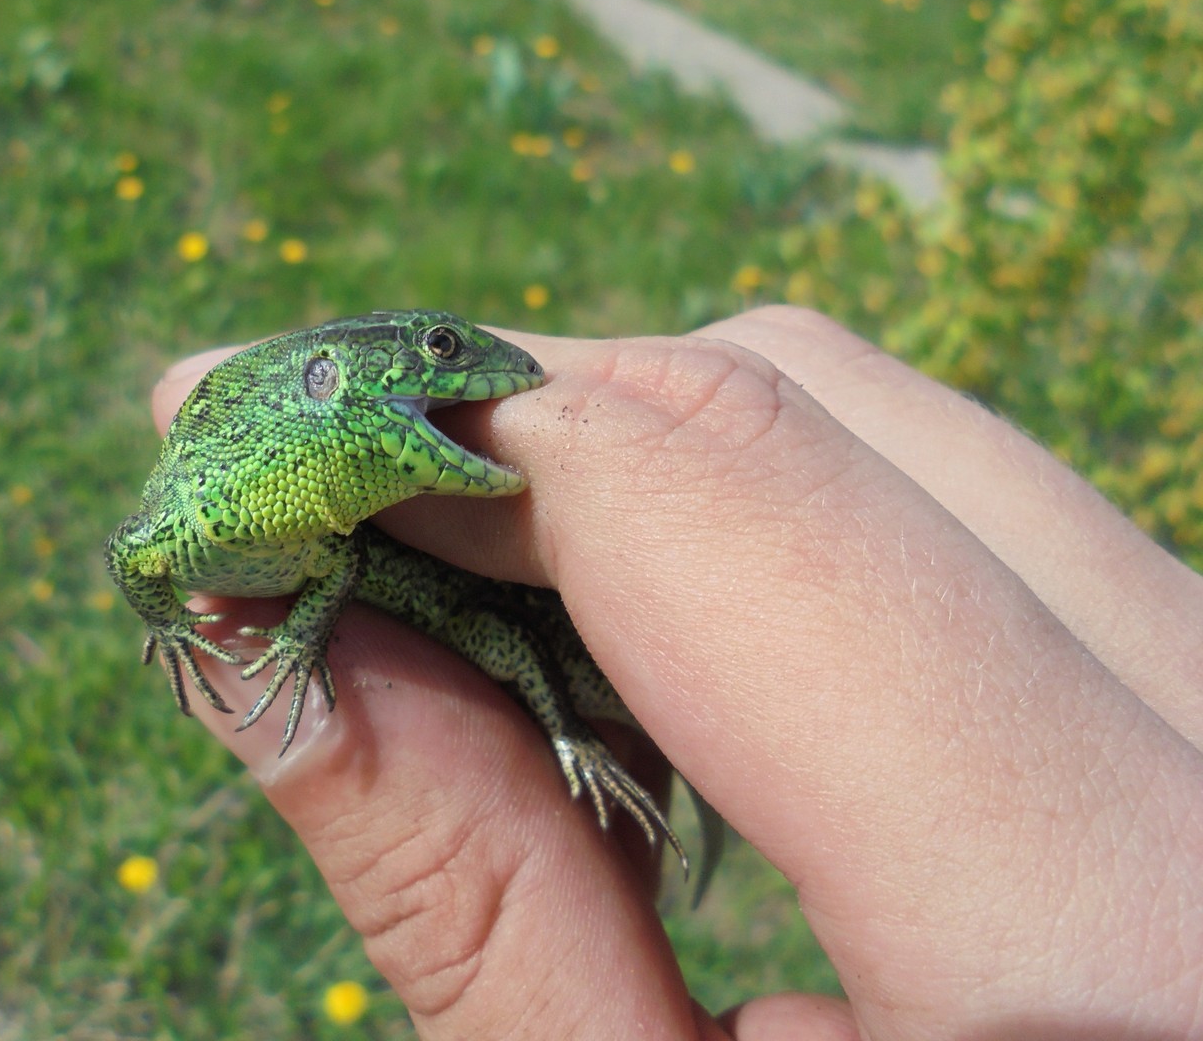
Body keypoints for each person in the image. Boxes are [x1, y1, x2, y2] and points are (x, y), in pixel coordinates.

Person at [149, 306, 1203, 1040]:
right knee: (508, 645)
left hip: (475, 619)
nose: (485, 370)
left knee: (512, 647)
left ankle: (576, 734)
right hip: (425, 599)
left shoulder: (318, 506)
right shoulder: (252, 490)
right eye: (436, 350)